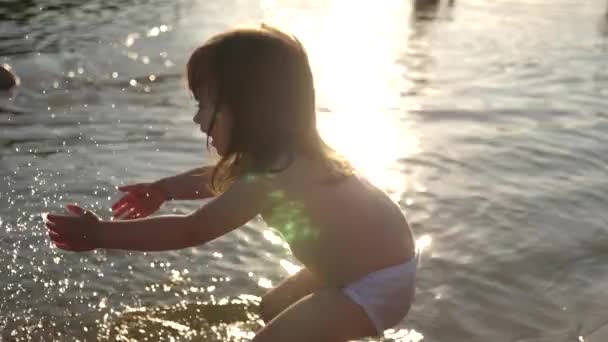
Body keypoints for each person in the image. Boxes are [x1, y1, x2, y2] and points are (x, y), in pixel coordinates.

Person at [44, 24, 417, 342]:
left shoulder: (279, 173)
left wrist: (101, 235)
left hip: (375, 284)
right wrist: (165, 189)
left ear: (249, 107)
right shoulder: (278, 159)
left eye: (204, 104)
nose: (198, 119)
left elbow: (192, 230)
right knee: (272, 308)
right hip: (355, 267)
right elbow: (216, 179)